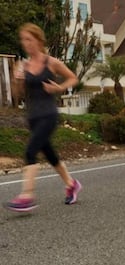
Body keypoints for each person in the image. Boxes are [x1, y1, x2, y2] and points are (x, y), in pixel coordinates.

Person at [4, 23, 82, 212]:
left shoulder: (51, 62)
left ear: (38, 40)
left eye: (29, 39)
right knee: (50, 155)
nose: (26, 43)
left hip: (48, 115)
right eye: (23, 40)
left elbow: (73, 78)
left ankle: (27, 195)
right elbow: (18, 94)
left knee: (30, 152)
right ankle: (72, 185)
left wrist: (59, 88)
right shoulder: (24, 65)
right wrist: (16, 80)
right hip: (33, 117)